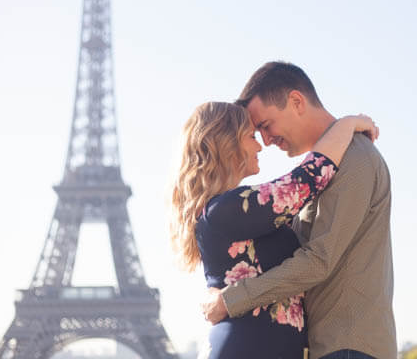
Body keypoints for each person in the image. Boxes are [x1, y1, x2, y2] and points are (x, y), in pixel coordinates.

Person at [202, 62, 397, 359]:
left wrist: (232, 300)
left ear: (296, 101)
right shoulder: (322, 171)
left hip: (348, 346)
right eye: (256, 133)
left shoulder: (355, 157)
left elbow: (319, 260)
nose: (265, 142)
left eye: (265, 126)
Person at [170, 101, 378, 359]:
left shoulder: (233, 211)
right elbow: (309, 177)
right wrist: (347, 124)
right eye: (250, 136)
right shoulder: (231, 207)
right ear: (226, 144)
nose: (260, 145)